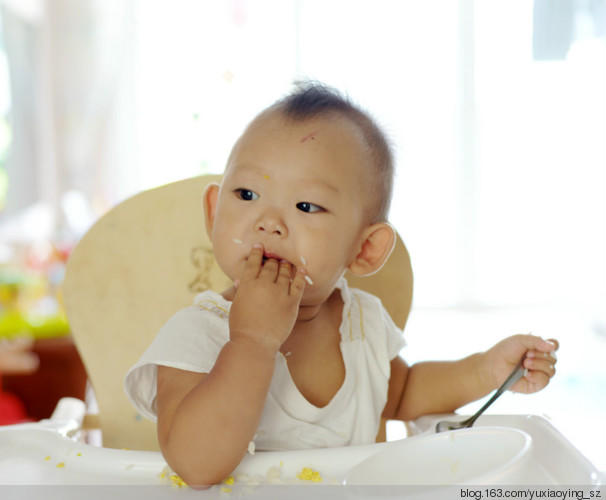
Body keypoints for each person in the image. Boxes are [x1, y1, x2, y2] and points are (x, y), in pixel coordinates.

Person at [123, 81, 559, 488]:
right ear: (214, 213)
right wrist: (252, 341)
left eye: (306, 205)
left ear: (365, 249)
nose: (269, 222)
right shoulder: (198, 333)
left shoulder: (362, 324)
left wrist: (486, 370)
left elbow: (403, 394)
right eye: (247, 195)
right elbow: (196, 465)